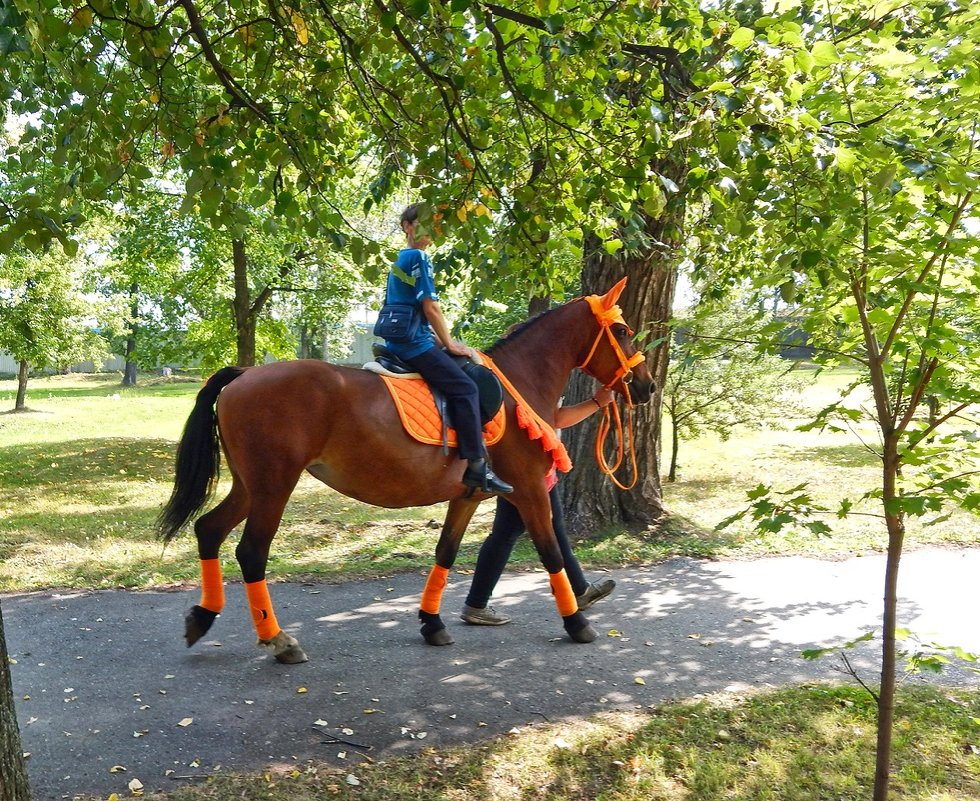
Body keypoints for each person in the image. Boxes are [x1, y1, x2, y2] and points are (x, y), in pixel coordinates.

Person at [380, 203, 512, 494]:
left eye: (435, 225)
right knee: (465, 388)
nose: (431, 231)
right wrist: (449, 343)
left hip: (401, 340)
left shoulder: (398, 260)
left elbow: (409, 310)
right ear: (407, 226)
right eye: (424, 223)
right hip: (414, 345)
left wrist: (443, 343)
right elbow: (431, 307)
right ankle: (477, 466)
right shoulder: (418, 257)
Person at [460, 386, 617, 625]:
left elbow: (553, 418)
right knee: (526, 535)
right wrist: (596, 402)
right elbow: (557, 418)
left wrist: (597, 402)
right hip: (529, 473)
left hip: (529, 470)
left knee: (518, 534)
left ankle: (578, 589)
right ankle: (476, 604)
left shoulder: (526, 376)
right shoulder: (528, 378)